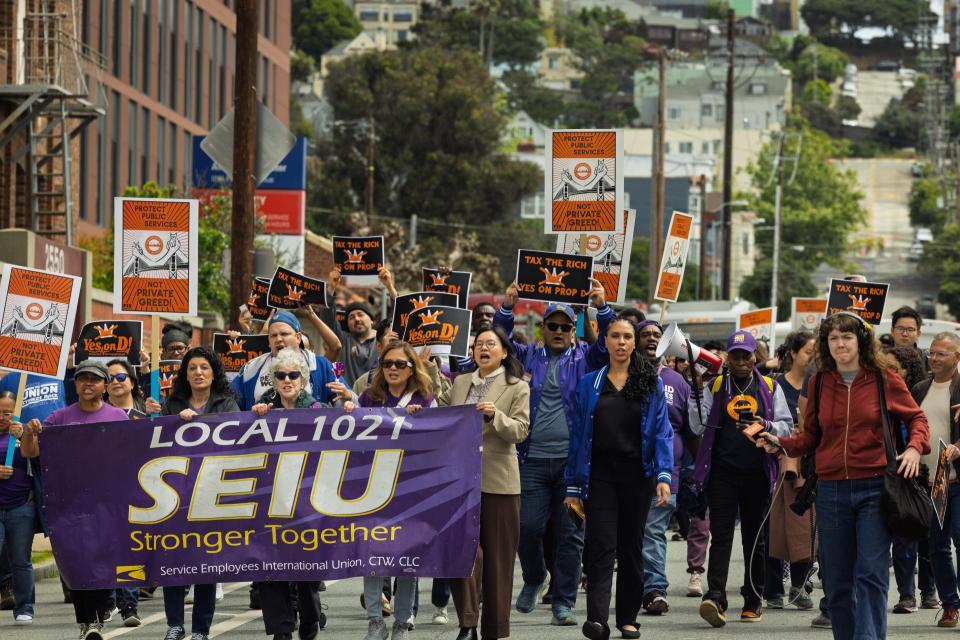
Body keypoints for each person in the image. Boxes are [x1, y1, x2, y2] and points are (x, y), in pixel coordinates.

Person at [760, 312, 930, 640]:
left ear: (861, 340)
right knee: (837, 584)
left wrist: (913, 448)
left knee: (870, 575)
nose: (840, 344)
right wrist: (779, 444)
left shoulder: (884, 377)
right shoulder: (820, 381)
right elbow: (810, 437)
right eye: (833, 338)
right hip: (831, 491)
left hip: (875, 489)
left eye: (847, 337)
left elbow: (917, 418)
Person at [494, 279, 614, 627]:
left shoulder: (586, 358)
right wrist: (508, 305)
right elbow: (499, 340)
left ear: (573, 329)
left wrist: (600, 306)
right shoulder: (528, 355)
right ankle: (535, 577)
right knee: (527, 527)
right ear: (543, 328)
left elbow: (608, 342)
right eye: (554, 326)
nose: (560, 331)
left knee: (570, 533)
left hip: (572, 463)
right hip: (531, 459)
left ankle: (563, 601)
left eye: (566, 326)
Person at [564, 318, 673, 640]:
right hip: (599, 477)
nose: (622, 342)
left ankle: (628, 619)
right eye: (616, 336)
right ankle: (597, 619)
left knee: (631, 548)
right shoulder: (588, 384)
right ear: (606, 341)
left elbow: (663, 433)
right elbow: (577, 436)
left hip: (637, 476)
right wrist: (572, 487)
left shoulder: (649, 382)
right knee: (600, 547)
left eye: (628, 336)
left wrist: (663, 476)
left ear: (634, 342)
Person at [689, 330, 794, 627]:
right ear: (727, 357)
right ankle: (716, 597)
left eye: (746, 355)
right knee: (720, 536)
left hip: (758, 474)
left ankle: (753, 599)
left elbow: (787, 427)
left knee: (755, 539)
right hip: (722, 473)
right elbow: (697, 426)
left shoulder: (771, 387)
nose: (741, 361)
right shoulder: (715, 385)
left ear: (755, 357)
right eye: (735, 355)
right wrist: (696, 392)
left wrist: (768, 424)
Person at [434, 326, 530, 640]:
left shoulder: (518, 387)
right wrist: (427, 364)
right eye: (477, 345)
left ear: (504, 351)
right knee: (460, 552)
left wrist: (494, 416)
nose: (483, 349)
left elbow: (519, 431)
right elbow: (438, 409)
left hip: (498, 482)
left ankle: (494, 628)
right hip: (458, 480)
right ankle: (467, 622)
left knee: (499, 560)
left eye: (490, 344)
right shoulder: (460, 382)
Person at [344, 341, 435, 640]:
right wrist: (348, 409)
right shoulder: (369, 397)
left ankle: (402, 622)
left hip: (411, 490)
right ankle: (375, 621)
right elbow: (350, 436)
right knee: (372, 556)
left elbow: (438, 439)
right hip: (372, 487)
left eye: (400, 364)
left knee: (406, 560)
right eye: (388, 364)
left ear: (412, 368)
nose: (393, 369)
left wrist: (419, 420)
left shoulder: (425, 398)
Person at [149, 347, 239, 640]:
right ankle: (174, 624)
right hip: (176, 495)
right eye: (192, 368)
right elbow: (156, 443)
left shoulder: (227, 404)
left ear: (214, 373)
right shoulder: (172, 405)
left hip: (213, 495)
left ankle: (201, 629)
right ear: (185, 375)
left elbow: (238, 442)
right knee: (173, 560)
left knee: (206, 565)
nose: (198, 373)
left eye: (204, 367)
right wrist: (171, 421)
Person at [42, 360, 130, 640]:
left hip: (106, 502)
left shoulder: (118, 418)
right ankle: (86, 620)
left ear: (105, 385)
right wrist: (31, 434)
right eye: (82, 379)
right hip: (68, 502)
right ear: (75, 384)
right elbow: (37, 452)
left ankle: (96, 620)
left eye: (94, 379)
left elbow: (130, 456)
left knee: (101, 560)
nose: (88, 383)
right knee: (75, 560)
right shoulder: (58, 418)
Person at [250, 348, 327, 640]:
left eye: (293, 375)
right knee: (270, 566)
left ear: (303, 379)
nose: (287, 380)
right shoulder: (262, 409)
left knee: (306, 572)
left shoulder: (317, 410)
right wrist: (254, 418)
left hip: (307, 501)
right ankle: (281, 630)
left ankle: (309, 621)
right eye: (280, 375)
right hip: (270, 500)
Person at [629, 320, 693, 616]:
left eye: (658, 334)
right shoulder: (622, 374)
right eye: (646, 335)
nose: (652, 339)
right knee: (631, 533)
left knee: (654, 531)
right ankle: (635, 587)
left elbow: (690, 430)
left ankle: (655, 589)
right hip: (628, 469)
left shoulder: (677, 381)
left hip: (666, 472)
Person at [764, 331, 816, 611]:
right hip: (776, 461)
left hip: (806, 464)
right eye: (808, 351)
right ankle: (773, 587)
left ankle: (798, 584)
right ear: (793, 353)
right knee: (775, 526)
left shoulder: (818, 383)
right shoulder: (774, 385)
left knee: (802, 524)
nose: (813, 358)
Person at [912, 332, 960, 627]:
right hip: (930, 483)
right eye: (931, 352)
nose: (934, 358)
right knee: (936, 547)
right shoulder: (919, 388)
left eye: (941, 353)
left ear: (956, 357)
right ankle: (950, 605)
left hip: (957, 479)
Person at [887, 345, 938, 612]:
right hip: (898, 472)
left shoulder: (920, 395)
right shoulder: (883, 395)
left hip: (927, 472)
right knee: (904, 535)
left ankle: (929, 591)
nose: (889, 372)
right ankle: (907, 595)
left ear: (908, 371)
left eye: (895, 368)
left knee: (928, 535)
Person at [229, 311, 342, 411]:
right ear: (269, 341)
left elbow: (343, 398)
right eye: (273, 335)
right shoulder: (252, 367)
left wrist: (348, 400)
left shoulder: (320, 365)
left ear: (298, 337)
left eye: (284, 334)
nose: (278, 339)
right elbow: (227, 400)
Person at [0, 389, 40, 626]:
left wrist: (24, 434)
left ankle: (24, 607)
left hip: (21, 507)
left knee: (20, 560)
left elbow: (30, 453)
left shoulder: (21, 431)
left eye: (7, 412)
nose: (3, 417)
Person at [323, 268, 397, 386]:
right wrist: (331, 288)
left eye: (361, 315)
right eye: (351, 317)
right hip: (348, 401)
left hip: (377, 399)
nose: (357, 319)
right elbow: (328, 319)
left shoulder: (384, 339)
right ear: (347, 324)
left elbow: (398, 317)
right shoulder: (343, 340)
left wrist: (390, 287)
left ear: (372, 320)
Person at [891, 306, 929, 372]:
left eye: (910, 330)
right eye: (900, 329)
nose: (904, 334)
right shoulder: (881, 358)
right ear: (892, 331)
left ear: (918, 333)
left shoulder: (926, 360)